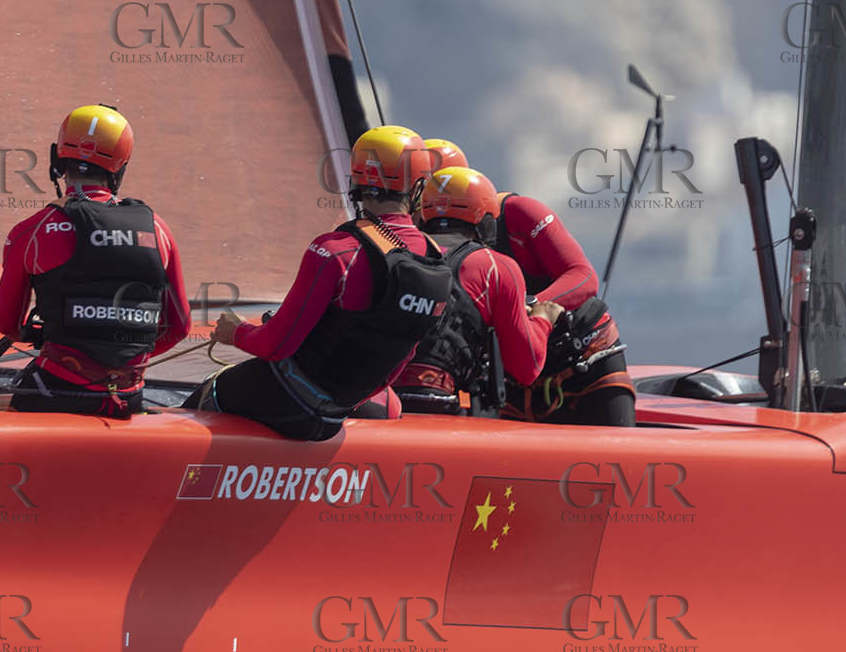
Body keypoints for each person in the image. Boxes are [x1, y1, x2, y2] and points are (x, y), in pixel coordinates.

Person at [187, 125, 451, 441]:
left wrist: (235, 333)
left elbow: (275, 345)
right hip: (336, 415)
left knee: (210, 390)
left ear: (356, 180)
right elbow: (401, 359)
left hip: (290, 401)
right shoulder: (436, 260)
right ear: (418, 187)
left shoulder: (335, 250)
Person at [0, 104, 190, 417]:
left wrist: (42, 336)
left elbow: (9, 325)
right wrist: (121, 363)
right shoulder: (157, 229)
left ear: (56, 160)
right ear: (121, 167)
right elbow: (179, 328)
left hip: (52, 392)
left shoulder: (31, 232)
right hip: (127, 398)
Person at [428, 141, 636, 426]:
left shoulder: (518, 212)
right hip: (514, 374)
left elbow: (583, 277)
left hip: (583, 362)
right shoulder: (419, 232)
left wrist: (530, 307)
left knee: (615, 451)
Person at [394, 166, 562, 415]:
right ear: (485, 221)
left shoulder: (393, 250)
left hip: (380, 400)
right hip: (440, 405)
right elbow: (527, 367)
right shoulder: (497, 267)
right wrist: (543, 318)